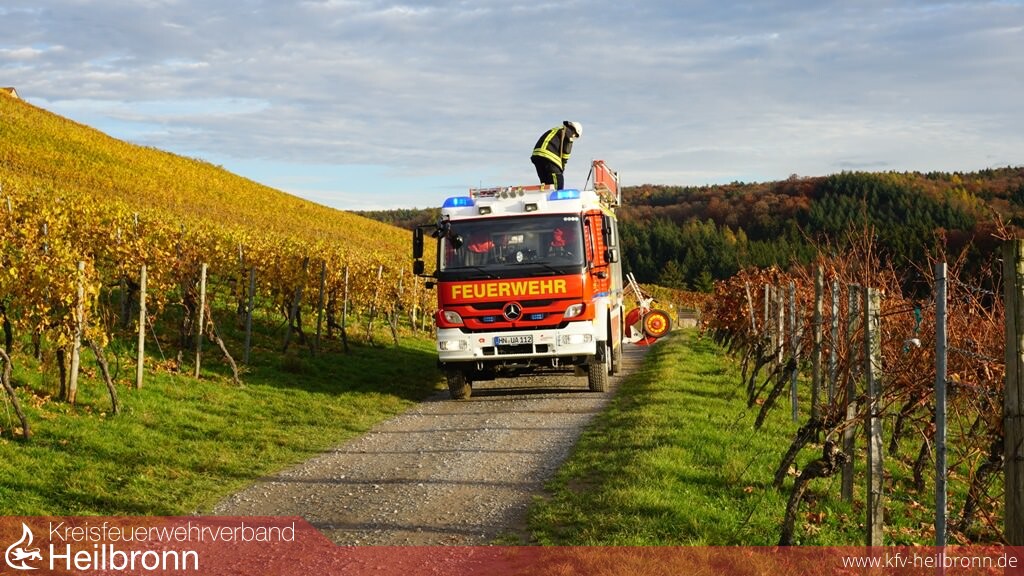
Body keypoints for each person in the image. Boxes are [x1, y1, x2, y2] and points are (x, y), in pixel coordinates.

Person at [531, 121, 582, 190]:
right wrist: (562, 167)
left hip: (537, 156)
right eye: (576, 135)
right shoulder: (568, 132)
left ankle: (546, 194)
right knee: (558, 180)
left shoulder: (556, 129)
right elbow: (566, 152)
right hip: (549, 156)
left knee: (546, 184)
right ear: (575, 131)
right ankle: (556, 196)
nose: (574, 136)